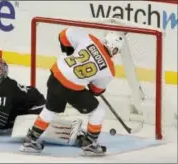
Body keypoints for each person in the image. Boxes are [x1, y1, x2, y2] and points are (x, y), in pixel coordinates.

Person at [20, 27, 126, 156]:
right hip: (71, 88)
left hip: (55, 76)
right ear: (114, 48)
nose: (115, 53)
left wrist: (69, 51)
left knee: (50, 109)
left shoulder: (90, 39)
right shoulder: (109, 69)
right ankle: (90, 143)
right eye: (116, 50)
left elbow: (64, 34)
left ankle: (30, 140)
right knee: (98, 111)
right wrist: (88, 82)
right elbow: (96, 90)